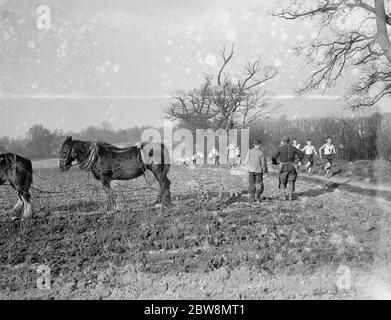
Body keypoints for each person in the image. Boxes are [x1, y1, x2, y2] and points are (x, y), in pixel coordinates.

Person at [272, 136, 304, 201]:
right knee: (291, 182)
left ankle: (283, 197)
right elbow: (301, 154)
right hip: (292, 166)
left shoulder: (280, 148)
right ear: (289, 141)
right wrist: (296, 161)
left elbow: (273, 157)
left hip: (283, 167)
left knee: (282, 182)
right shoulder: (293, 148)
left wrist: (275, 163)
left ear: (283, 141)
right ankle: (290, 197)